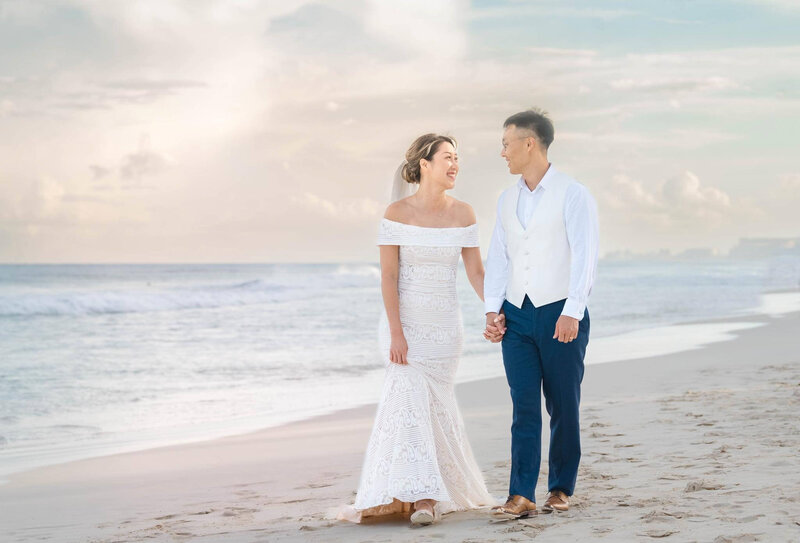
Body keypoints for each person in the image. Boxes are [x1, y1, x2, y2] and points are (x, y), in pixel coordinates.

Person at [338, 134, 494, 526]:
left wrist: (494, 311)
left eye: (458, 158)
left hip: (446, 329)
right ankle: (422, 499)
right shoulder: (396, 213)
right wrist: (396, 333)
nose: (455, 164)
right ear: (425, 164)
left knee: (435, 411)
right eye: (447, 157)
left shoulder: (465, 214)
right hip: (405, 326)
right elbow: (388, 277)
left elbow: (476, 272)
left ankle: (425, 492)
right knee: (407, 405)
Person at [483, 109, 599, 518]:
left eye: (506, 143)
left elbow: (585, 256)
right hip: (517, 315)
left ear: (529, 143)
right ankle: (521, 495)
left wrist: (573, 310)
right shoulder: (506, 198)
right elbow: (499, 257)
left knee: (563, 404)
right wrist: (492, 310)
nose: (502, 152)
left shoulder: (572, 193)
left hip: (560, 312)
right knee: (524, 406)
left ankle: (561, 487)